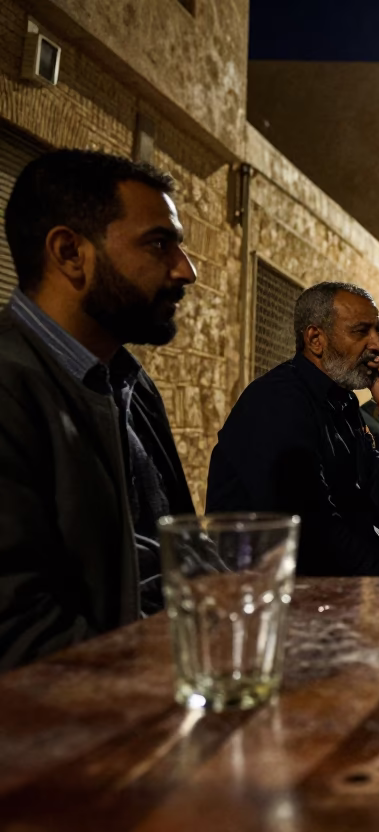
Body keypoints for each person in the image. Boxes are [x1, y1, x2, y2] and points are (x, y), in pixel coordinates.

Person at [0, 149, 197, 669]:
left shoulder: (130, 383)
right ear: (70, 253)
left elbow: (182, 563)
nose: (187, 270)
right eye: (160, 244)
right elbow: (20, 636)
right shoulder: (9, 387)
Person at [206, 282, 379, 576]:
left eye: (377, 329)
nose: (377, 344)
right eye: (361, 331)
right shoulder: (277, 401)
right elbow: (314, 531)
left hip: (336, 584)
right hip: (272, 594)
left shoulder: (343, 403)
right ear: (316, 339)